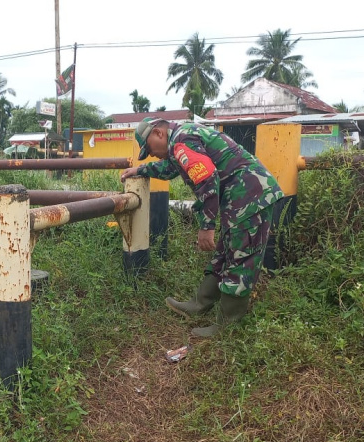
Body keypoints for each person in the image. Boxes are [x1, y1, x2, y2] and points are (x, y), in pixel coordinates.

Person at [120, 119, 284, 337]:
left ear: (159, 133)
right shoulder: (182, 140)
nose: (151, 154)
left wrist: (206, 226)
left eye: (149, 148)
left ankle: (228, 325)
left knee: (241, 256)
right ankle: (200, 303)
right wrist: (141, 169)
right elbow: (171, 167)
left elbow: (207, 179)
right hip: (241, 195)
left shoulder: (181, 141)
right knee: (226, 252)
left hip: (250, 196)